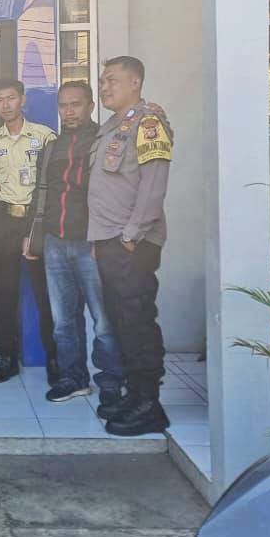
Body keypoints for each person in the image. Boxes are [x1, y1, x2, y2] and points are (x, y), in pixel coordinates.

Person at [25, 81, 124, 407]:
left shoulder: (104, 141)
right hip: (55, 242)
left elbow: (116, 193)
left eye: (76, 104)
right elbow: (41, 193)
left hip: (91, 243)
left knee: (104, 321)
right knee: (63, 321)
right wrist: (33, 236)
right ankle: (73, 379)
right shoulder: (51, 147)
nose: (68, 111)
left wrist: (108, 238)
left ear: (91, 106)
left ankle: (111, 383)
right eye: (63, 105)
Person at [88, 56, 173, 436]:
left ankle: (149, 405)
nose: (104, 87)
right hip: (110, 240)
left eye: (112, 80)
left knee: (137, 323)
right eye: (103, 80)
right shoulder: (112, 126)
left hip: (132, 244)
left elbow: (153, 188)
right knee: (122, 322)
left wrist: (129, 236)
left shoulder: (149, 123)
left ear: (135, 82)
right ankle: (133, 394)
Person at [0, 78, 57, 383]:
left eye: (11, 98)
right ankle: (7, 359)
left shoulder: (44, 136)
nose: (6, 104)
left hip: (36, 220)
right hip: (6, 221)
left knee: (43, 292)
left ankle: (54, 360)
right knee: (5, 293)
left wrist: (33, 214)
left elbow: (52, 182)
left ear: (22, 99)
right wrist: (6, 197)